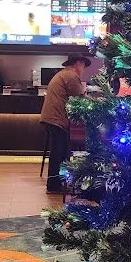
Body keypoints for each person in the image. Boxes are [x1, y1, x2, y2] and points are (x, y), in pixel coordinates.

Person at [40, 53, 90, 194]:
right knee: (59, 152)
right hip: (57, 119)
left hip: (53, 118)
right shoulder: (71, 75)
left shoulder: (63, 74)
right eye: (83, 66)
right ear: (78, 63)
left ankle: (59, 181)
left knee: (60, 151)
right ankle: (53, 184)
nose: (83, 69)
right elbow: (80, 97)